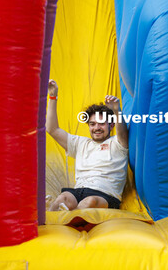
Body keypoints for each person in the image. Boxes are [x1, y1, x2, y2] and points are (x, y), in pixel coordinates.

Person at [46, 79, 129, 211]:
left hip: (104, 196)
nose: (97, 127)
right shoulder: (80, 143)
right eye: (92, 124)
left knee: (90, 202)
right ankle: (52, 223)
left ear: (111, 125)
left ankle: (70, 218)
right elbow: (52, 129)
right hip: (79, 191)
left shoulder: (117, 143)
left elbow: (123, 133)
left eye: (101, 123)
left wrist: (116, 110)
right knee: (63, 198)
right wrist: (52, 96)